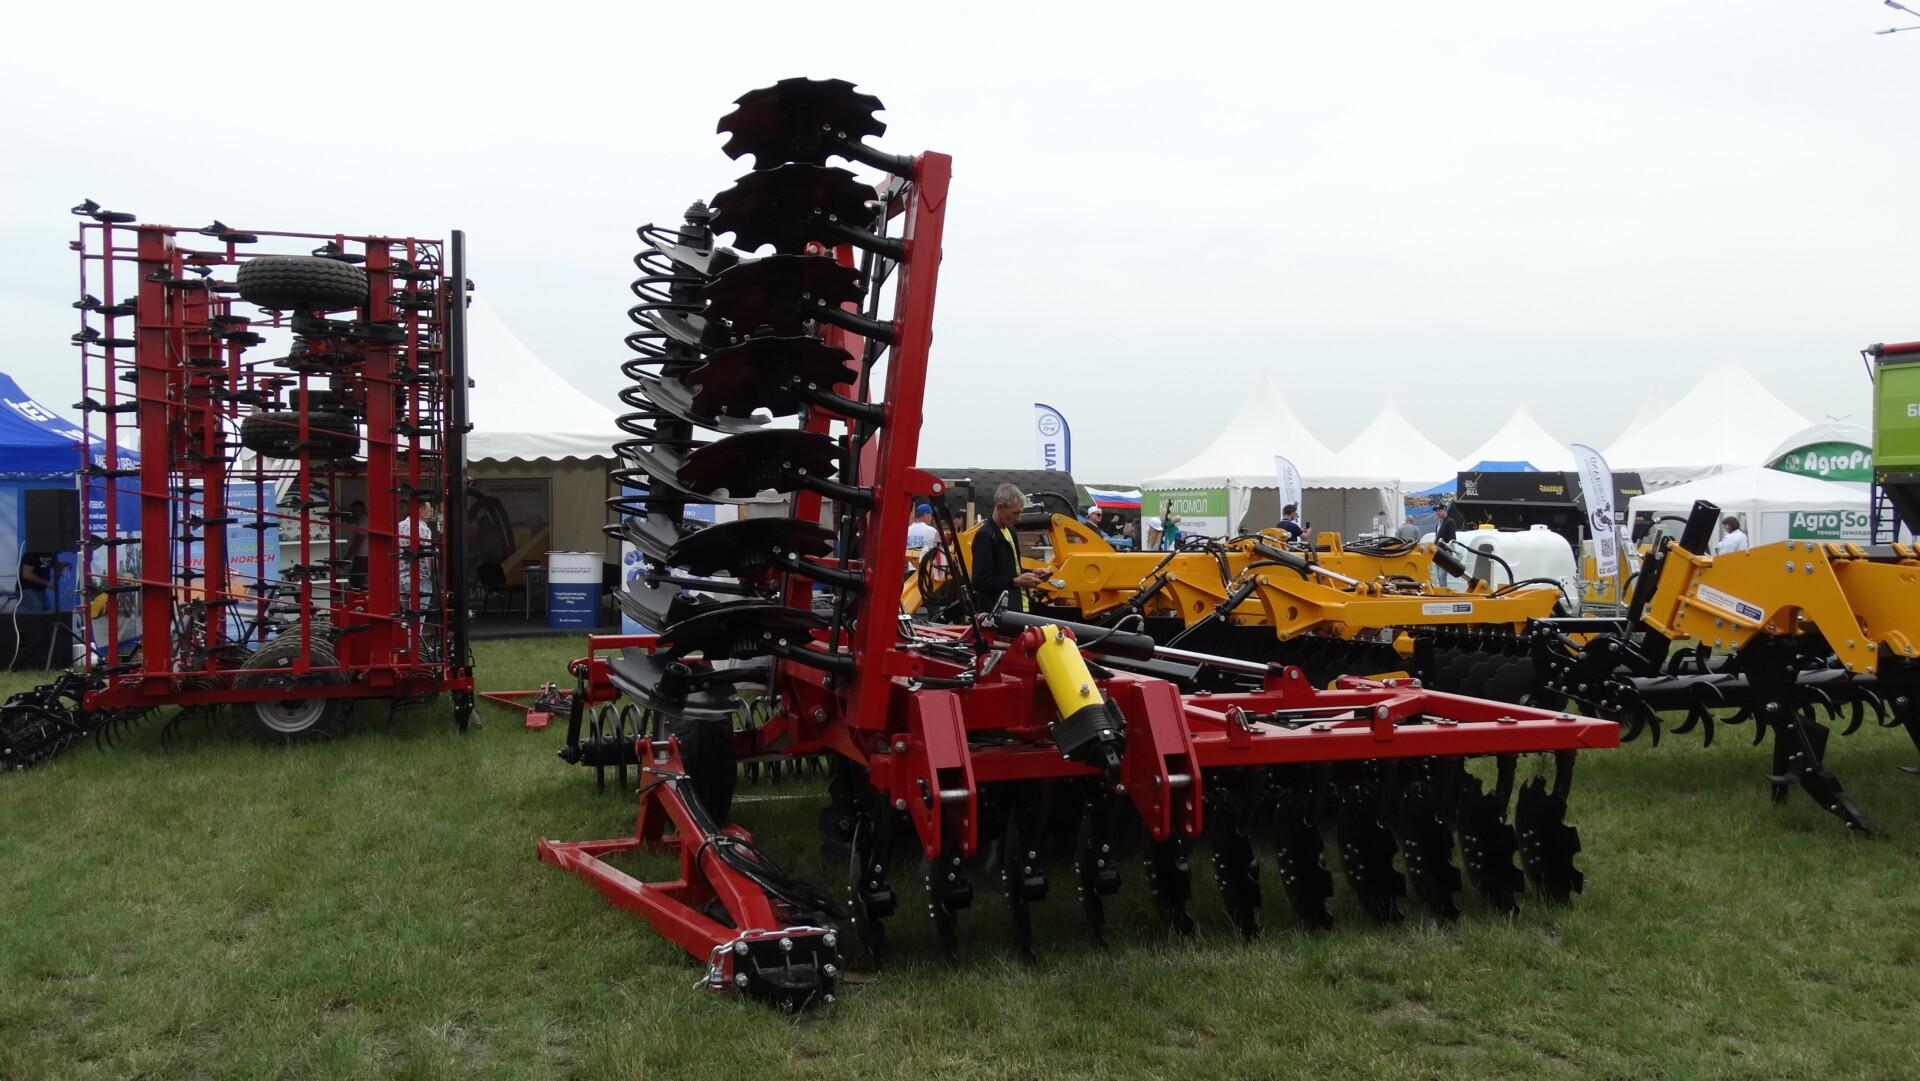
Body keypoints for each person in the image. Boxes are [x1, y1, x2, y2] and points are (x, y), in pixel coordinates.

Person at [970, 483, 1046, 613]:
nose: (1018, 518)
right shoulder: (985, 536)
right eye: (1015, 513)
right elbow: (980, 581)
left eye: (1020, 513)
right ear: (1000, 507)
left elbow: (1009, 570)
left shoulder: (1010, 531)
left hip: (1016, 608)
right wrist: (1015, 582)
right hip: (997, 612)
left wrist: (1032, 573)